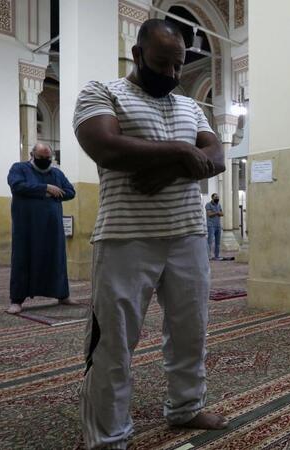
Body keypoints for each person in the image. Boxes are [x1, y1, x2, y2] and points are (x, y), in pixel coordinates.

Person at [73, 19, 228, 448]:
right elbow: (105, 146)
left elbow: (216, 158)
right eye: (163, 64)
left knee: (190, 331)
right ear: (138, 54)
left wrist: (166, 167)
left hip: (188, 235)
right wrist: (181, 152)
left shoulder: (191, 107)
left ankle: (186, 407)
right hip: (126, 237)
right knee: (113, 341)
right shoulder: (102, 93)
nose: (173, 74)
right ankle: (109, 435)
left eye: (179, 66)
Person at [6, 143, 77, 315]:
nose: (45, 161)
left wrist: (49, 192)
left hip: (52, 226)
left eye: (48, 158)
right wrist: (45, 188)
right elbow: (17, 186)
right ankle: (16, 300)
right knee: (23, 259)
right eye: (41, 158)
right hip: (26, 226)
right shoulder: (19, 168)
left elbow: (70, 192)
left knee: (56, 259)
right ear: (32, 155)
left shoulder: (57, 173)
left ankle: (63, 295)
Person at [205, 193, 224, 260]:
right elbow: (209, 214)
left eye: (218, 197)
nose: (217, 198)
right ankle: (208, 256)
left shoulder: (219, 205)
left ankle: (217, 256)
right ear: (212, 198)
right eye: (216, 197)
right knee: (210, 241)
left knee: (218, 242)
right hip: (211, 225)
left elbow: (222, 213)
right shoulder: (208, 204)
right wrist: (217, 213)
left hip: (218, 225)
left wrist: (217, 213)